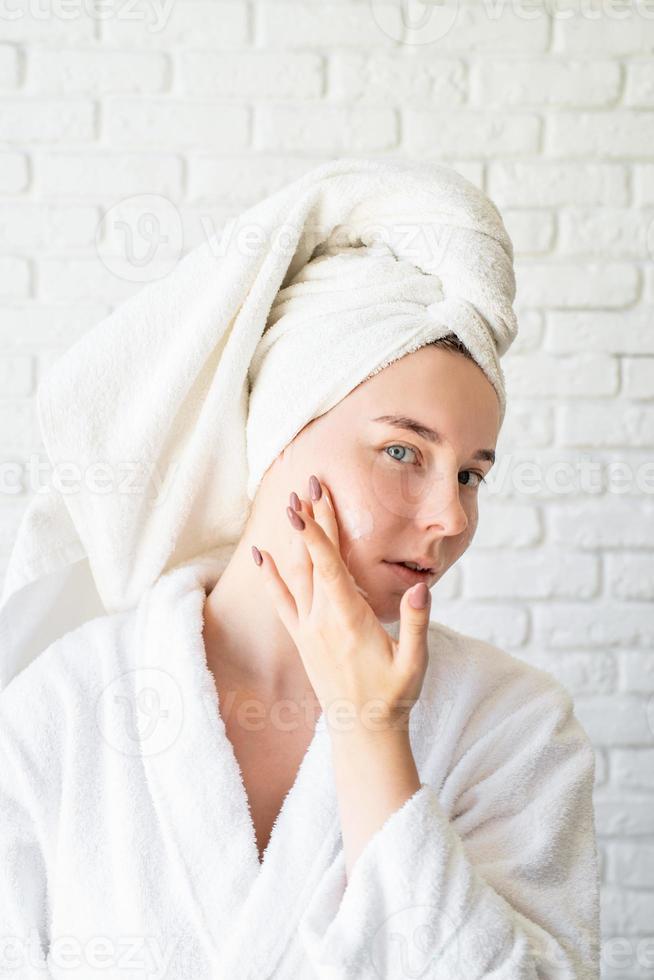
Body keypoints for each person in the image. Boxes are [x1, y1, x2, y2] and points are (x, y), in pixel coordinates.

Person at [0, 158, 600, 979]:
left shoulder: (515, 728)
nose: (450, 518)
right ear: (277, 431)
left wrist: (373, 735)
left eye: (470, 474)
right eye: (401, 451)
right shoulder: (60, 709)